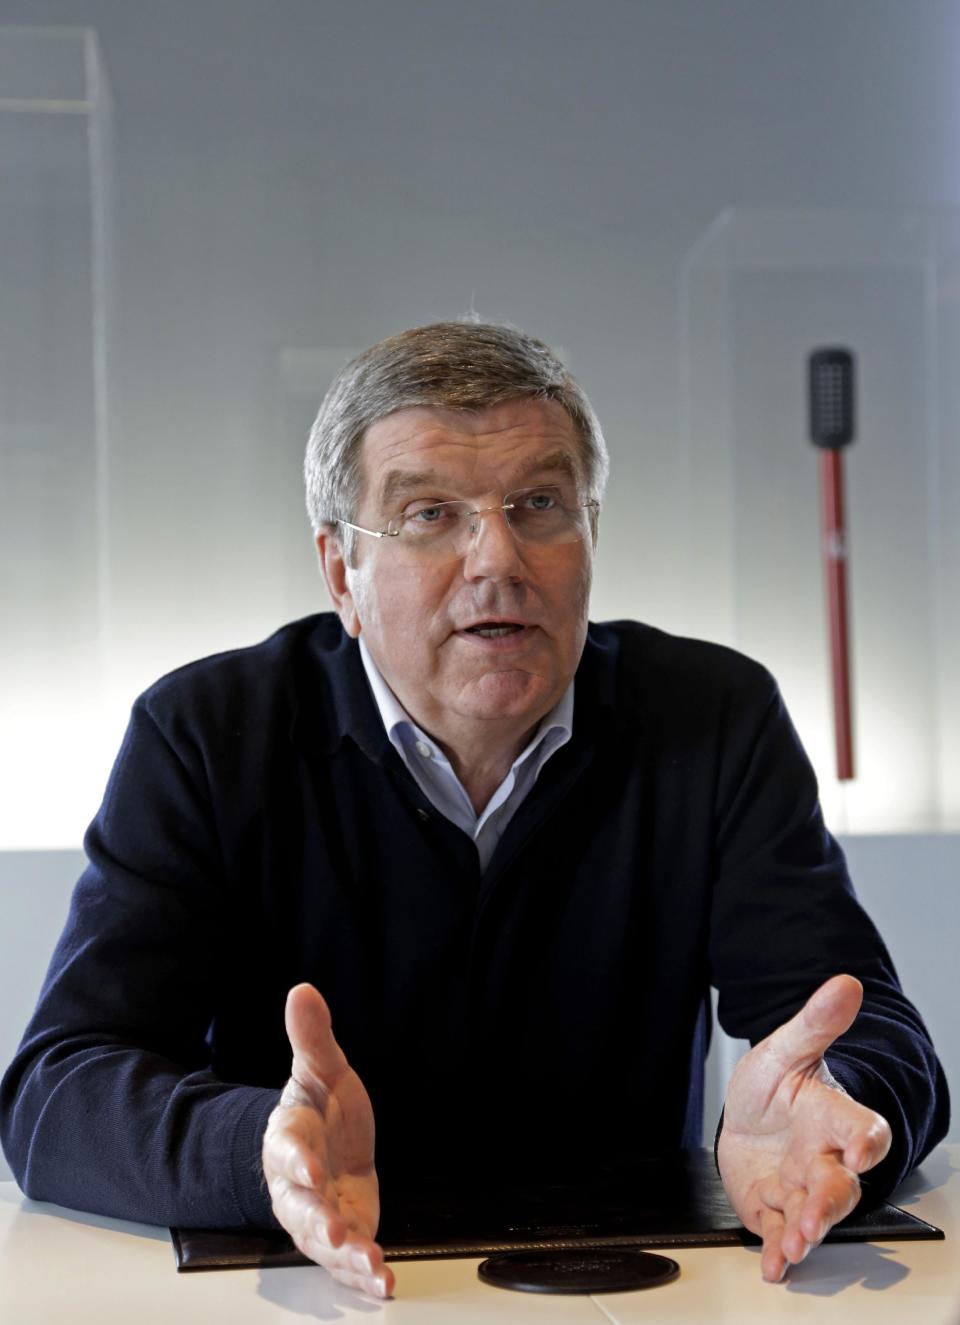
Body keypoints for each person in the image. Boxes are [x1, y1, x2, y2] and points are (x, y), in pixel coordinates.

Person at [0, 322, 948, 1300]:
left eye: (539, 503)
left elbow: (882, 1040)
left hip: (632, 1297)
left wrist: (833, 1117)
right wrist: (257, 1147)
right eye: (430, 514)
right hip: (319, 1293)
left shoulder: (714, 718)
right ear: (340, 573)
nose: (497, 557)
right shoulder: (204, 733)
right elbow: (58, 1090)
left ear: (590, 536)